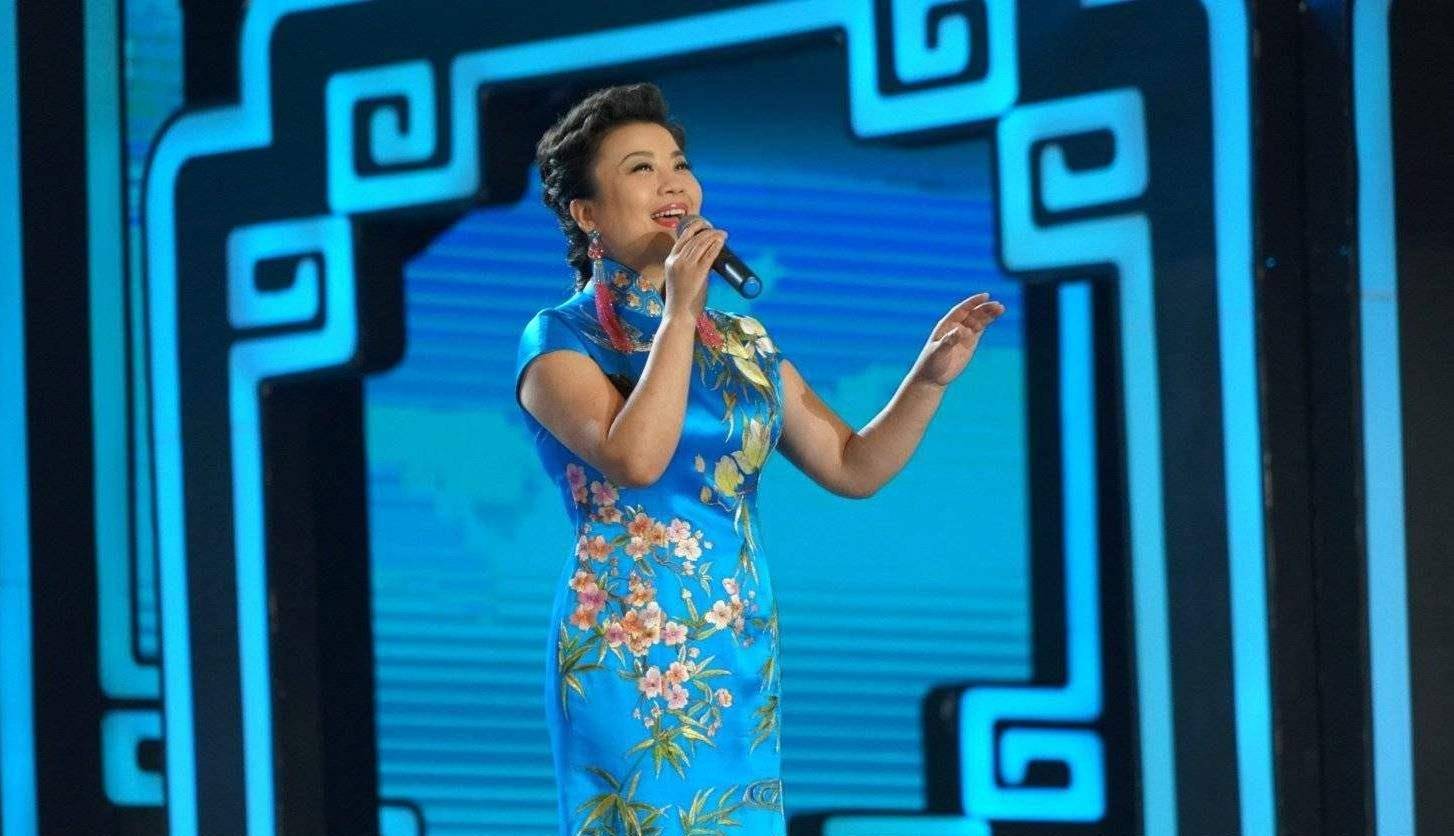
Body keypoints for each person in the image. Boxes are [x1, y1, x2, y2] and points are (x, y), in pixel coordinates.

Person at [516, 82, 1006, 836]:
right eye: (641, 169)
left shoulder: (742, 342)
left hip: (735, 646)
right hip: (628, 654)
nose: (673, 184)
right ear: (586, 215)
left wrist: (927, 381)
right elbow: (636, 459)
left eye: (679, 165)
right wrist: (681, 312)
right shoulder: (559, 340)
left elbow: (852, 465)